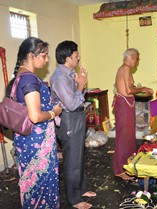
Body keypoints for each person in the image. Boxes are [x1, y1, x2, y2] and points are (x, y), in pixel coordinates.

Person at [5, 37, 62, 208]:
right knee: (41, 184)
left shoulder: (20, 77)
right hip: (37, 143)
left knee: (33, 183)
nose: (46, 60)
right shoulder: (29, 79)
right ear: (31, 55)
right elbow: (35, 116)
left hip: (27, 139)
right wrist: (54, 112)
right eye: (44, 56)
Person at [50, 41, 96, 209]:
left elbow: (79, 97)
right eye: (76, 56)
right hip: (68, 119)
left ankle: (81, 189)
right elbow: (70, 104)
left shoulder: (70, 73)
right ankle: (74, 199)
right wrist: (81, 85)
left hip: (77, 116)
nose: (79, 58)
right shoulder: (59, 77)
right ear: (68, 58)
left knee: (79, 156)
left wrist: (81, 85)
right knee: (71, 159)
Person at [113, 48, 153, 180]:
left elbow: (130, 88)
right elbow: (129, 90)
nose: (137, 61)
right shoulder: (124, 69)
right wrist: (142, 89)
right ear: (130, 57)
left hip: (127, 104)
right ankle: (120, 170)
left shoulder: (126, 69)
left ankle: (128, 165)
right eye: (136, 58)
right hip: (124, 105)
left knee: (129, 136)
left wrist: (142, 90)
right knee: (123, 137)